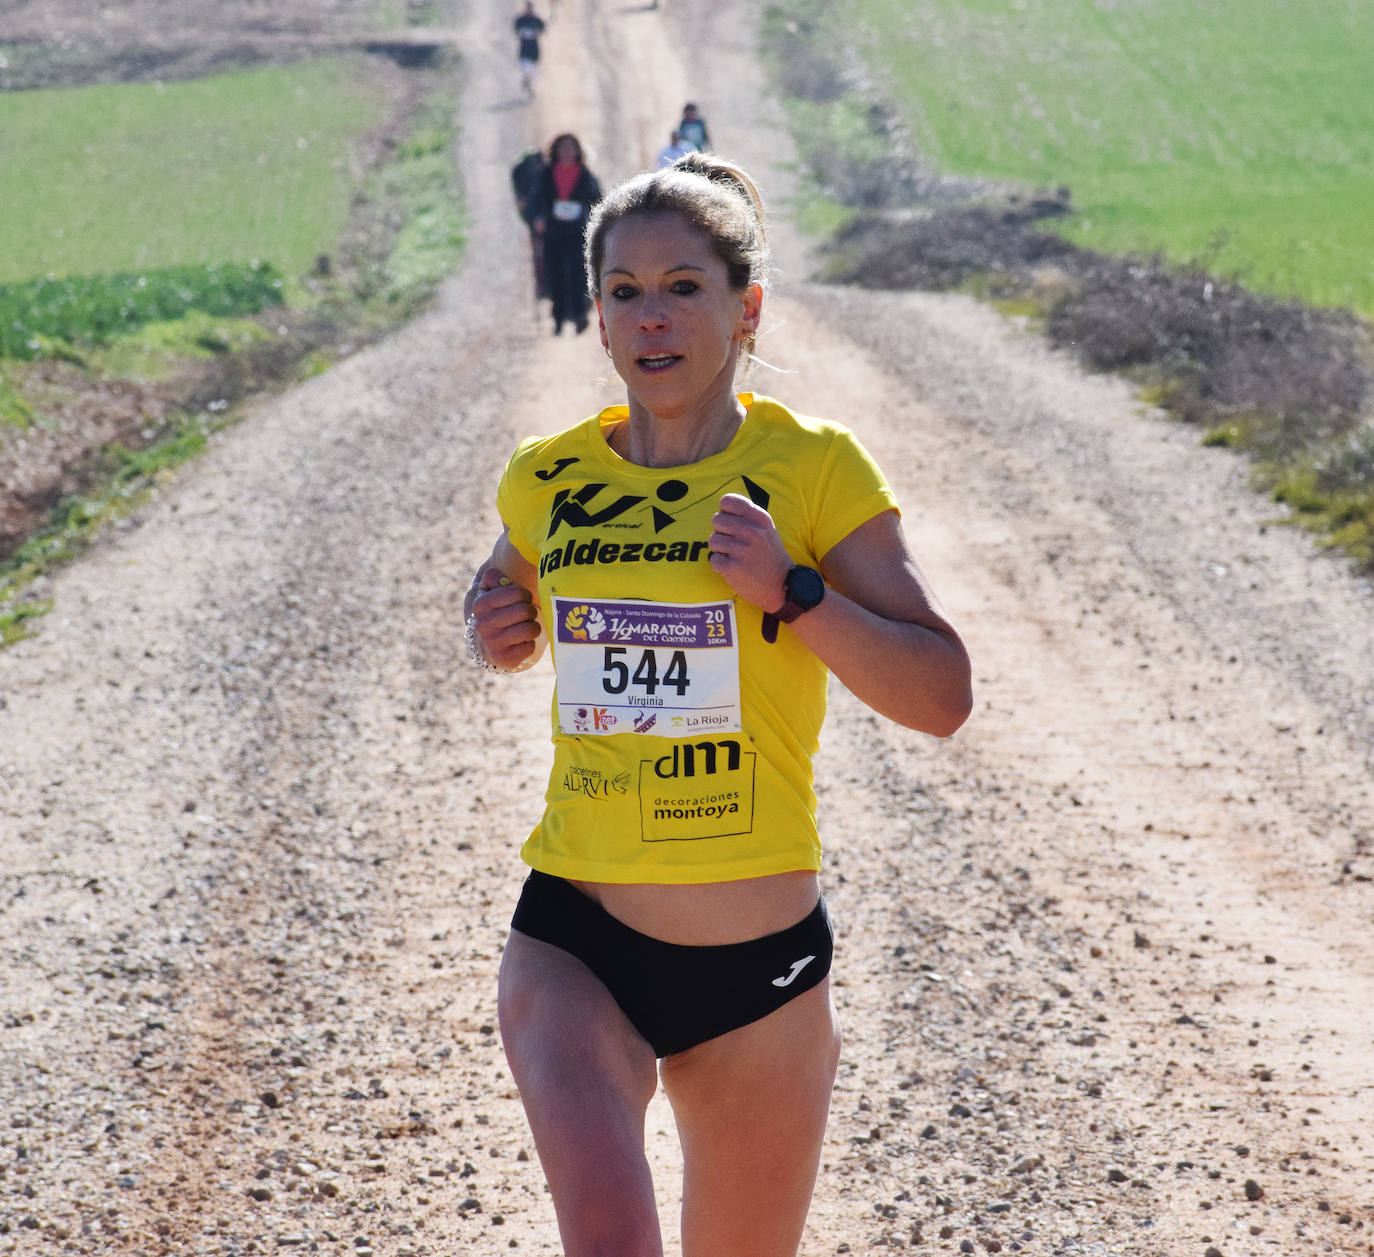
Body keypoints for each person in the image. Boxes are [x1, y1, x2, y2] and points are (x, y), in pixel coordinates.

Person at [464, 152, 972, 1255]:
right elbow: (501, 592)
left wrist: (794, 594)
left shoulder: (814, 469)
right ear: (596, 317)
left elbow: (942, 697)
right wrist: (490, 624)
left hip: (759, 973)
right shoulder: (546, 476)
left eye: (684, 287)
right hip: (575, 938)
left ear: (747, 307)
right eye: (625, 292)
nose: (654, 318)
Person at [530, 133, 601, 335]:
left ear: (578, 151)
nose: (567, 152)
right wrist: (538, 218)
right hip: (554, 232)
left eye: (571, 148)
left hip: (578, 231)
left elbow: (596, 200)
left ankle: (580, 315)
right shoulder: (546, 174)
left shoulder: (585, 174)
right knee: (556, 275)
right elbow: (536, 199)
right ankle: (559, 319)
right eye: (563, 148)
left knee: (579, 275)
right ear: (556, 151)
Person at [510, 147, 549, 299]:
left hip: (538, 219)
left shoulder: (521, 173)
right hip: (540, 219)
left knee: (538, 253)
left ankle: (542, 287)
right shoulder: (536, 175)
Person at [514, 2, 546, 97]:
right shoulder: (520, 20)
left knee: (534, 71)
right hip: (524, 49)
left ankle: (531, 89)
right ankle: (526, 81)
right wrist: (522, 33)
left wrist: (536, 33)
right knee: (525, 68)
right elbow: (516, 30)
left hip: (534, 49)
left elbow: (542, 29)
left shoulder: (536, 20)